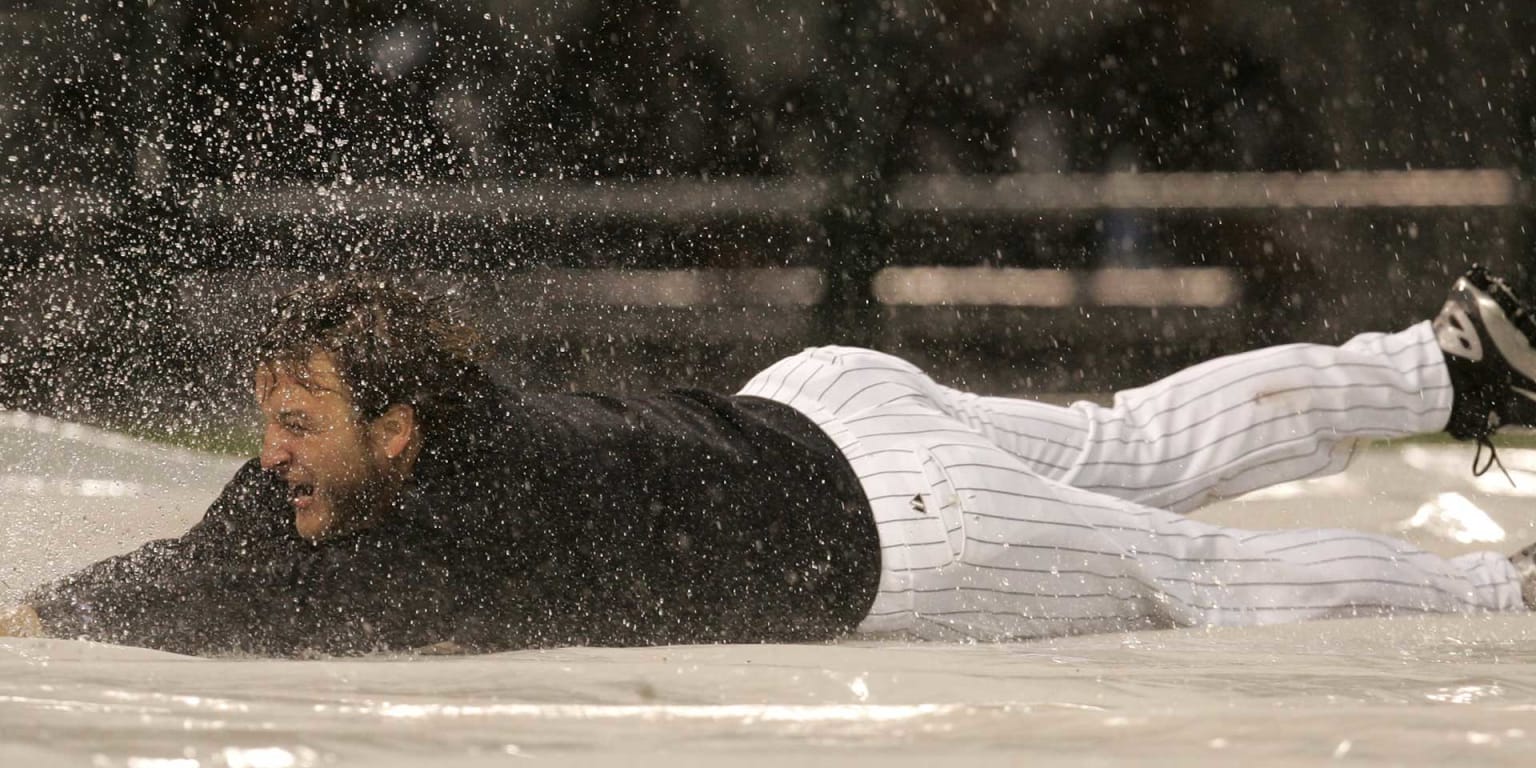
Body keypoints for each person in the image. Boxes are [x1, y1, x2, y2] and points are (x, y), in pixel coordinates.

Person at [3, 269, 1534, 656]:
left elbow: (220, 596)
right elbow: (203, 570)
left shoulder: (435, 521)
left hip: (915, 525)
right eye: (269, 420)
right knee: (1133, 440)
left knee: (1196, 576)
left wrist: (64, 620)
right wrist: (43, 616)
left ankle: (1500, 590)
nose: (268, 457)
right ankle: (1445, 360)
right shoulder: (394, 444)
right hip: (822, 399)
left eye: (298, 424)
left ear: (396, 430)